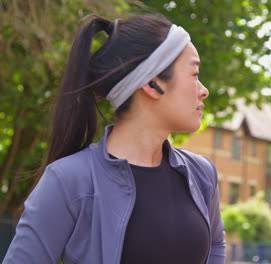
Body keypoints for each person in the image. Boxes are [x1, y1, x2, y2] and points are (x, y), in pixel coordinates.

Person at [3, 14, 225, 264]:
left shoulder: (202, 173)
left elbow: (216, 243)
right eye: (194, 74)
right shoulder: (68, 180)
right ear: (152, 84)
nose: (203, 90)